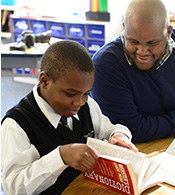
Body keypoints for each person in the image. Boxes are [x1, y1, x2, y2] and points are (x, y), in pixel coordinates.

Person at [1, 40, 138, 195]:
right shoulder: (16, 124)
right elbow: (14, 188)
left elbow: (110, 128)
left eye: (86, 93)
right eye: (70, 94)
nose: (79, 102)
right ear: (44, 81)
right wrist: (60, 157)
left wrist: (118, 136)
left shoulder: (86, 106)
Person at [91, 0, 175, 143]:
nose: (142, 52)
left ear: (168, 32)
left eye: (152, 43)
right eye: (133, 42)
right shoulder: (106, 64)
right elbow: (131, 130)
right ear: (124, 28)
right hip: (136, 150)